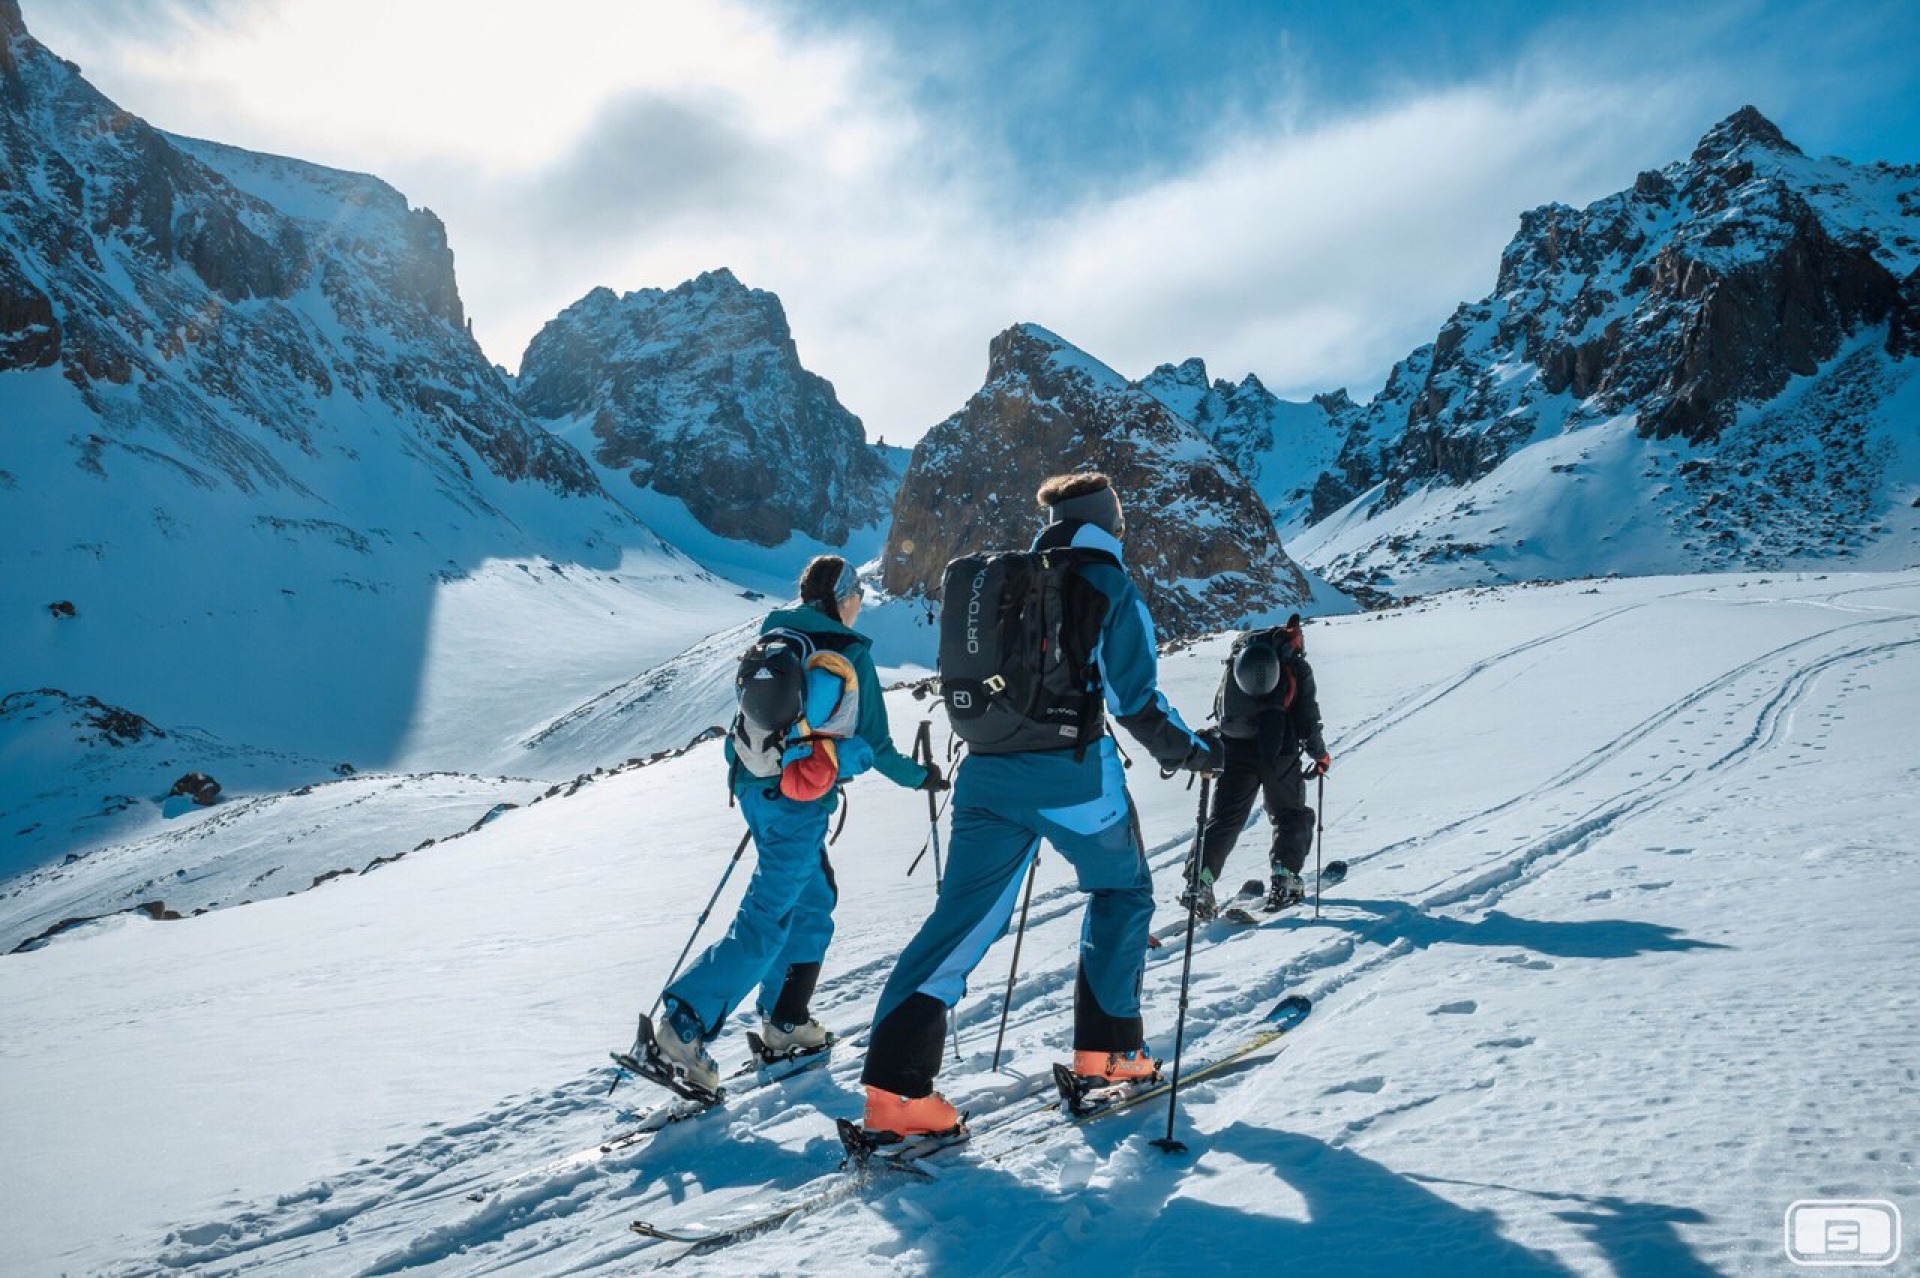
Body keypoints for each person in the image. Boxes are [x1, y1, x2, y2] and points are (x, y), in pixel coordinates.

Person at [857, 472, 1218, 1138]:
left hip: (986, 780)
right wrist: (1198, 753)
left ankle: (896, 1096)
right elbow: (1133, 701)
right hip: (1072, 782)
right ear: (1110, 523)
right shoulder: (1108, 584)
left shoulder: (1011, 580)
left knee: (958, 922)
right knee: (1123, 892)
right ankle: (1109, 1056)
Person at [647, 555, 941, 1093]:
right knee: (767, 918)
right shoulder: (848, 653)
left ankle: (787, 1020)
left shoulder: (776, 635)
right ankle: (682, 1028)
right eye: (855, 598)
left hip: (755, 787)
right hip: (795, 802)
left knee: (813, 901)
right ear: (841, 599)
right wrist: (923, 778)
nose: (858, 608)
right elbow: (876, 748)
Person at [1183, 614, 1330, 917]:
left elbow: (1222, 709)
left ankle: (1200, 882)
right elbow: (1307, 717)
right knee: (1290, 814)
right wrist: (1319, 755)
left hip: (1234, 748)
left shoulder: (1237, 660)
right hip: (1281, 751)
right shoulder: (1295, 665)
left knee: (1224, 819)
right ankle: (1285, 877)